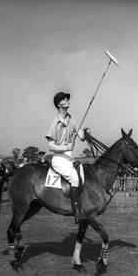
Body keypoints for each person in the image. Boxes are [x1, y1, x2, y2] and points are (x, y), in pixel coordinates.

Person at [45, 91, 89, 223]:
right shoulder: (55, 123)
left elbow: (81, 137)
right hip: (58, 158)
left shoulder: (73, 120)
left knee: (82, 172)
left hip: (69, 158)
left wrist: (86, 133)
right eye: (65, 99)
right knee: (75, 179)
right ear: (59, 104)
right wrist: (65, 147)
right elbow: (50, 146)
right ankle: (77, 212)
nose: (67, 100)